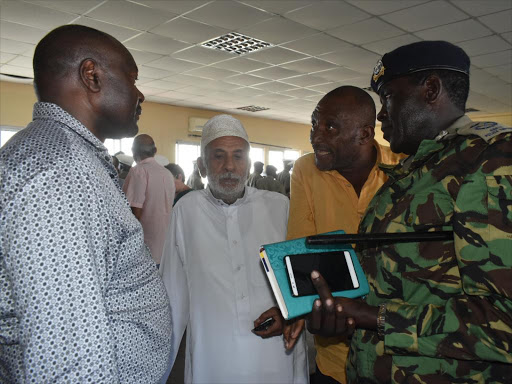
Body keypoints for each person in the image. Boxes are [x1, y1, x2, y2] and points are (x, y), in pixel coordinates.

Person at [306, 41, 512, 383]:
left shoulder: (490, 163)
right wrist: (339, 309)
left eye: (388, 97)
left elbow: (504, 323)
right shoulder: (416, 170)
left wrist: (375, 316)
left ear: (430, 90)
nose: (382, 113)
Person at [0, 25, 172, 382]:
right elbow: (66, 360)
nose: (141, 94)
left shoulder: (69, 157)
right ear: (91, 76)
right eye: (132, 78)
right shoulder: (57, 172)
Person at [159, 114, 308, 383]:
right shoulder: (186, 211)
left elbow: (301, 282)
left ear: (249, 164)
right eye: (218, 156)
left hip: (276, 352)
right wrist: (158, 367)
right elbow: (172, 295)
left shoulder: (280, 207)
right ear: (202, 165)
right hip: (213, 356)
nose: (229, 166)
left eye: (238, 156)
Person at [284, 85, 403, 384]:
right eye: (314, 124)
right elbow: (301, 253)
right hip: (335, 357)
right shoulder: (306, 171)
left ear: (364, 134)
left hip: (397, 357)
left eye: (330, 127)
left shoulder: (403, 169)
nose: (316, 136)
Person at [123, 134, 175, 265]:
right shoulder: (168, 174)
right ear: (155, 151)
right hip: (165, 246)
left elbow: (135, 211)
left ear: (133, 152)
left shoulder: (139, 171)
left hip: (146, 246)